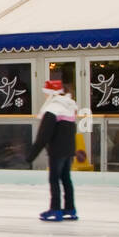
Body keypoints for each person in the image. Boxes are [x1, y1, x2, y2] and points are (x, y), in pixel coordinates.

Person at [27, 78, 81, 221]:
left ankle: (55, 209)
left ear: (50, 93)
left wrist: (30, 156)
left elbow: (43, 136)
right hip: (69, 150)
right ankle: (70, 209)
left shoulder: (52, 110)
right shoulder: (69, 107)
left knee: (54, 179)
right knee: (66, 179)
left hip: (57, 151)